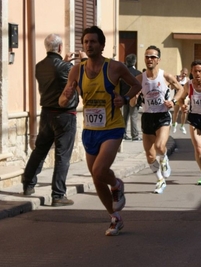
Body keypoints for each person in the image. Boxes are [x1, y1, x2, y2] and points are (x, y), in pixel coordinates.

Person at [59, 26, 142, 236]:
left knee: (99, 170)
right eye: (86, 42)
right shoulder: (76, 70)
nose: (89, 45)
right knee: (96, 179)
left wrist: (123, 99)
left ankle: (116, 184)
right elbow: (62, 101)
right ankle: (114, 217)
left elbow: (136, 85)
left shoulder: (115, 67)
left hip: (112, 128)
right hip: (90, 130)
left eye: (93, 41)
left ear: (102, 45)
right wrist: (67, 95)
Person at [22, 34, 86, 207]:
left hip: (46, 113)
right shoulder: (66, 67)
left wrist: (65, 62)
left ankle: (28, 183)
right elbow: (79, 81)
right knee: (62, 155)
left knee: (40, 150)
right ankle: (58, 194)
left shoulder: (39, 66)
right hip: (65, 114)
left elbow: (55, 76)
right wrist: (82, 61)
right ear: (59, 48)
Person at [134, 45, 184, 194]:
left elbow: (181, 89)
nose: (149, 59)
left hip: (162, 115)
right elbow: (131, 100)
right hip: (147, 116)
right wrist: (133, 98)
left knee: (160, 146)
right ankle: (160, 180)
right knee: (149, 156)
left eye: (153, 57)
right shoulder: (139, 79)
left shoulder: (165, 76)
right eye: (147, 56)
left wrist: (173, 101)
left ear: (158, 60)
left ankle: (164, 160)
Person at [120, 53, 142, 141]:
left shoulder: (123, 73)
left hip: (124, 97)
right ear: (135, 62)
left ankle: (123, 134)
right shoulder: (138, 73)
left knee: (124, 116)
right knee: (133, 116)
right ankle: (135, 135)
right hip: (134, 97)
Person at [171, 68, 189, 134]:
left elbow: (189, 88)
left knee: (184, 111)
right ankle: (174, 124)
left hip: (184, 98)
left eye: (185, 74)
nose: (184, 75)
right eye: (183, 73)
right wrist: (177, 82)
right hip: (177, 97)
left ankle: (182, 126)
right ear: (181, 72)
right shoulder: (176, 77)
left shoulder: (187, 80)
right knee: (176, 112)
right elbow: (171, 87)